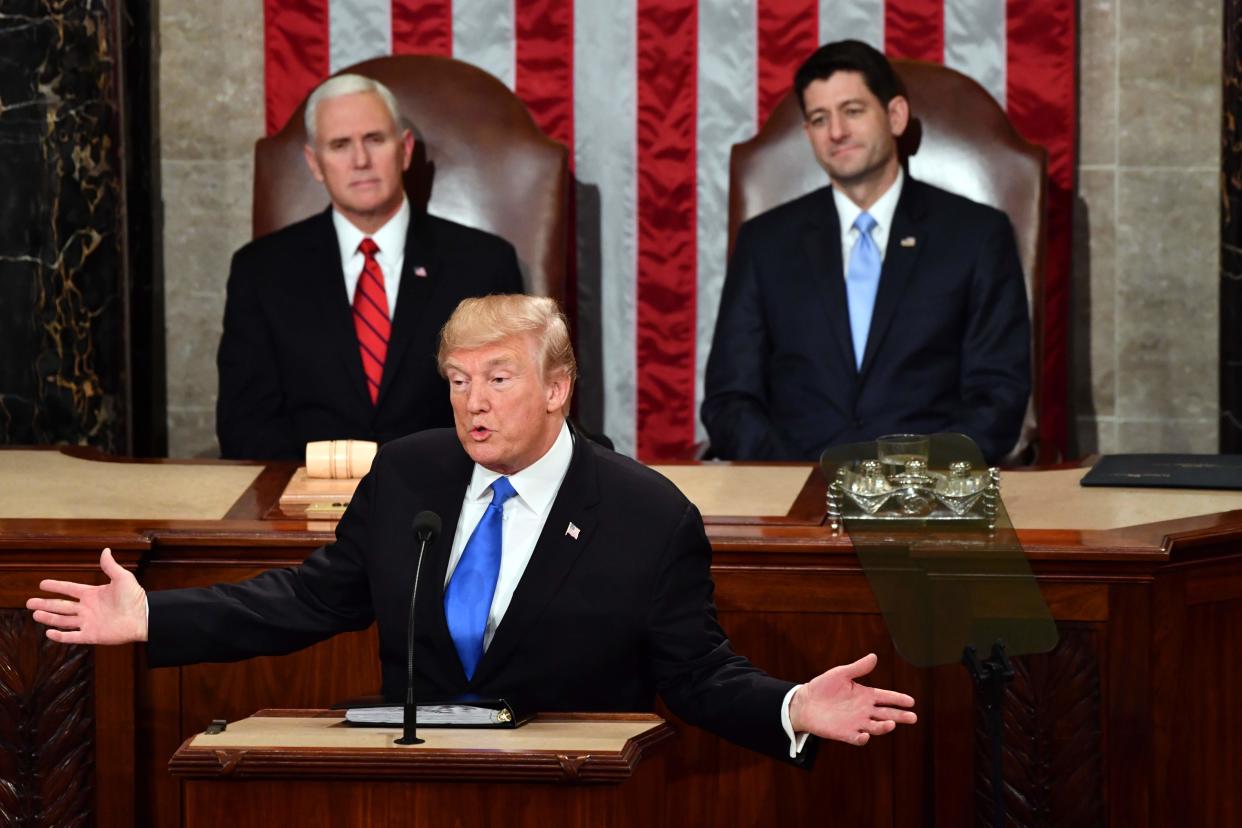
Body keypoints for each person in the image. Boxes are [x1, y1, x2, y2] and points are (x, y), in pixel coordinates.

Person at [29, 294, 916, 764]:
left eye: (497, 378)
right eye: (457, 380)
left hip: (570, 799)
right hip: (409, 792)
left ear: (559, 387)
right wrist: (157, 618)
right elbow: (312, 598)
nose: (471, 403)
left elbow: (698, 674)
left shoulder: (646, 516)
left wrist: (794, 705)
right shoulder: (412, 469)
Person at [702, 40, 1030, 465]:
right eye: (820, 119)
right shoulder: (764, 243)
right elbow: (730, 400)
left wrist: (912, 482)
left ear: (895, 116)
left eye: (852, 111)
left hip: (928, 498)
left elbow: (998, 395)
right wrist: (799, 479)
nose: (836, 131)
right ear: (808, 134)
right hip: (793, 497)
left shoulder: (976, 236)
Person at [216, 73, 524, 459]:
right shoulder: (260, 271)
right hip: (302, 500)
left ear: (405, 150)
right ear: (315, 163)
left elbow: (510, 410)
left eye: (374, 140)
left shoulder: (482, 264)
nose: (360, 160)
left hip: (446, 497)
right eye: (340, 145)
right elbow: (244, 426)